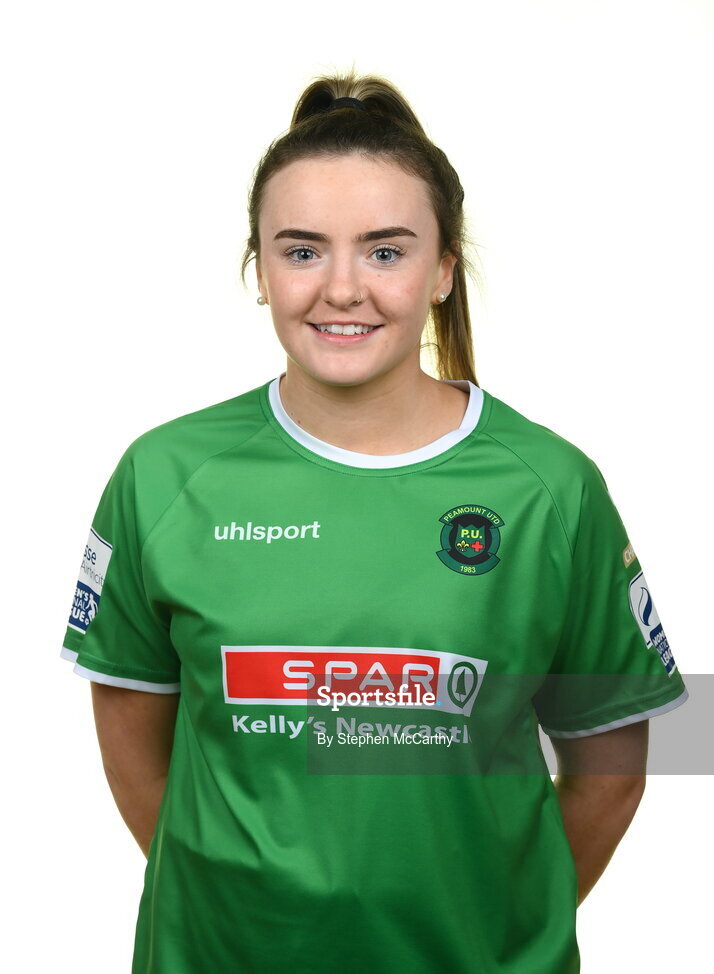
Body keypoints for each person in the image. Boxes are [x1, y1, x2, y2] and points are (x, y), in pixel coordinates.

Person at [60, 71, 689, 974]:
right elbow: (133, 749)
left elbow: (615, 765)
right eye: (303, 250)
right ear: (260, 268)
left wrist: (491, 921)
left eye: (387, 252)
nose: (343, 288)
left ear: (442, 271)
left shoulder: (551, 486)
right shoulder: (163, 475)